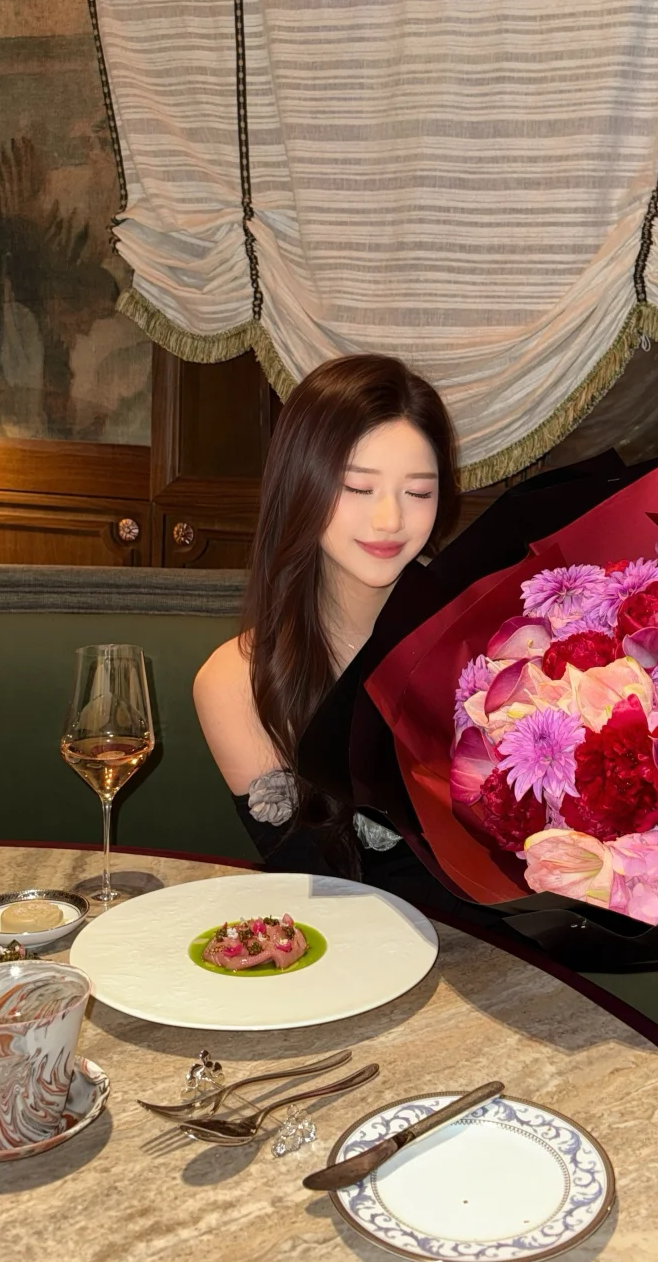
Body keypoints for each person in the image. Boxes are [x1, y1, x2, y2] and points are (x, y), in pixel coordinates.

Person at [194, 352, 490, 919]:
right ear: (300, 485)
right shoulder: (238, 682)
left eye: (418, 492)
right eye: (358, 487)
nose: (389, 520)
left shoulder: (486, 644)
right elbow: (319, 891)